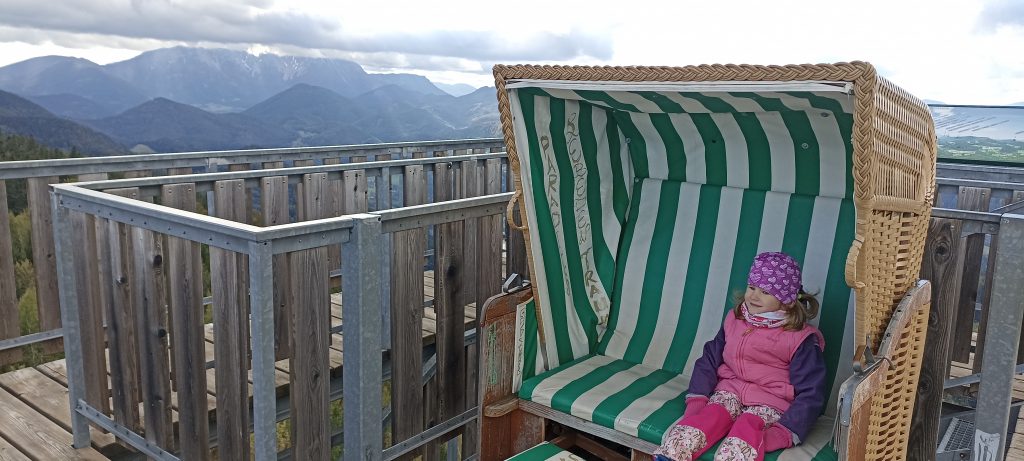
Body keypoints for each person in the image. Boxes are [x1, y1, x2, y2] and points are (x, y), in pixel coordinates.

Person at [654, 252, 827, 461]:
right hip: (729, 391)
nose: (754, 296)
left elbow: (812, 391)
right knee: (709, 416)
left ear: (787, 301)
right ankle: (670, 456)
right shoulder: (735, 320)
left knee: (746, 429)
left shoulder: (799, 339)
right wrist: (698, 398)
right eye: (752, 287)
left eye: (765, 291)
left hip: (770, 403)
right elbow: (709, 359)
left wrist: (785, 431)